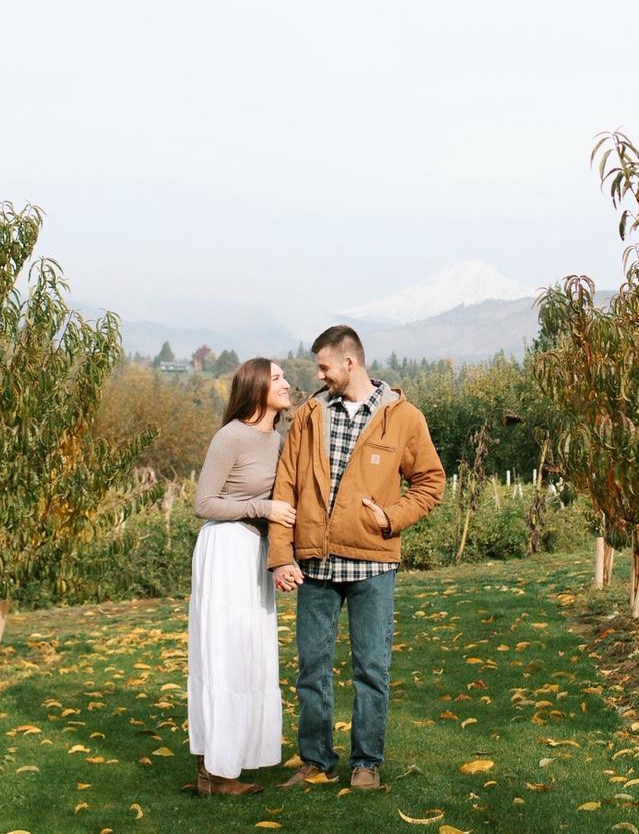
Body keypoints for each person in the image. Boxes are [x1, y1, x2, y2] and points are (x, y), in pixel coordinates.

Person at [268, 325, 445, 791]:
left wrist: (391, 518)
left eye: (324, 367)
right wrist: (281, 556)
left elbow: (430, 482)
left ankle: (366, 762)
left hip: (373, 565)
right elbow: (285, 487)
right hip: (314, 564)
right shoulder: (308, 416)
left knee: (371, 669)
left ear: (350, 362)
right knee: (312, 668)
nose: (319, 376)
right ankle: (317, 761)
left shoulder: (403, 418)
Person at [186, 358, 296, 796]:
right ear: (256, 387)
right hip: (226, 549)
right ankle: (214, 771)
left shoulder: (279, 441)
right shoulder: (230, 436)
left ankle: (224, 766)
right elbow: (205, 503)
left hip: (255, 552)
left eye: (284, 376)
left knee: (249, 656)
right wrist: (261, 507)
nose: (287, 383)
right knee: (224, 656)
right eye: (277, 378)